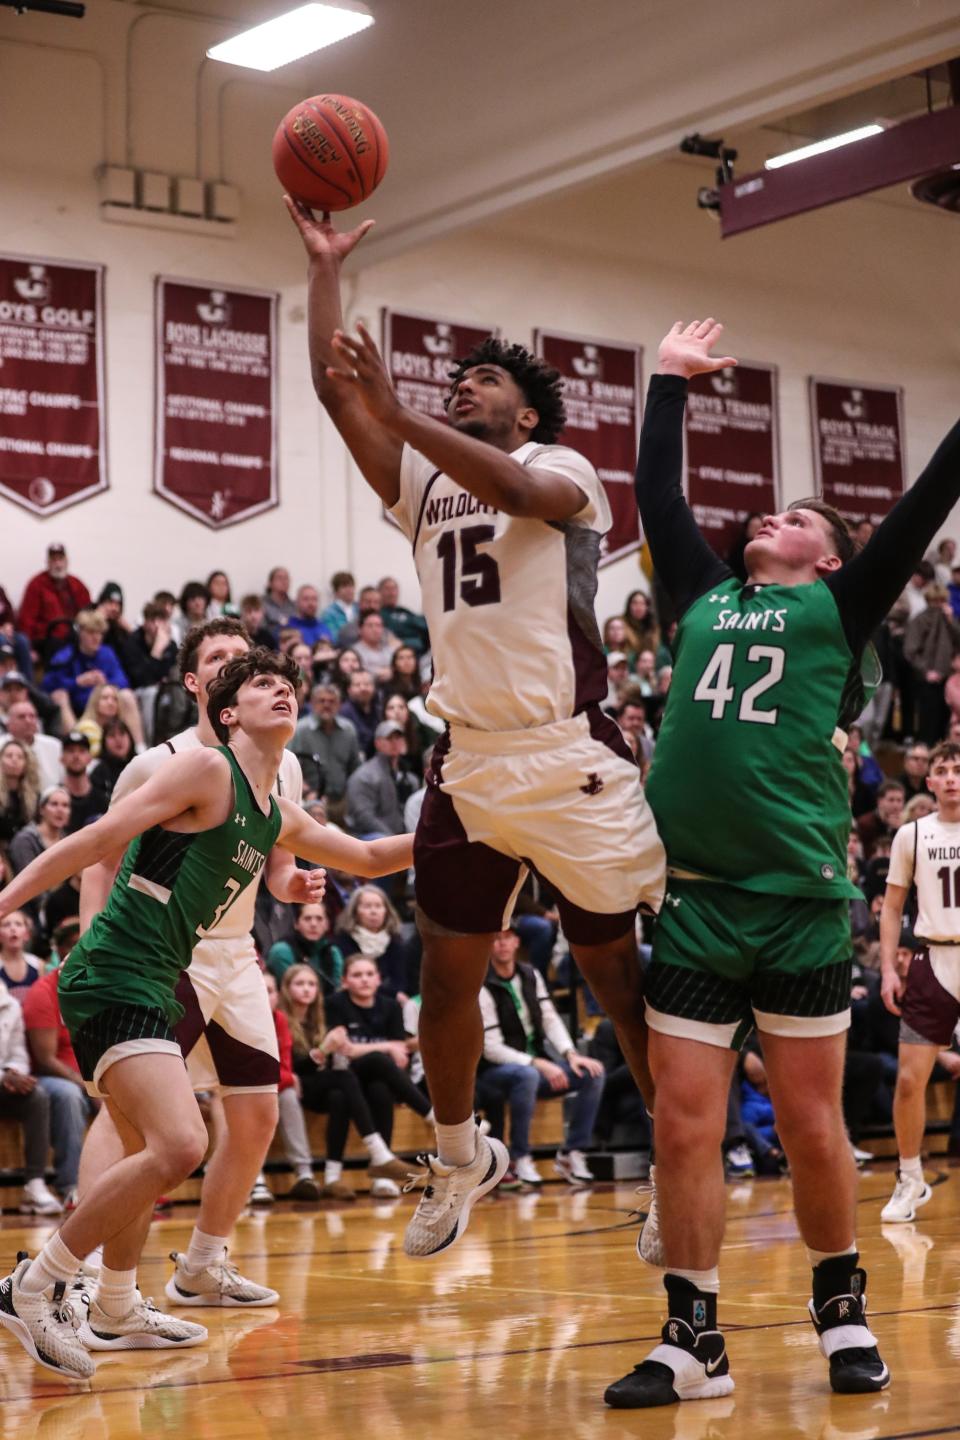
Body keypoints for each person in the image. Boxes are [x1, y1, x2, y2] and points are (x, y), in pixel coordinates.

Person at [286, 199, 665, 1264]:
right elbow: (333, 386)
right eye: (457, 381)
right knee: (443, 981)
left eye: (484, 381)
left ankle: (677, 1162)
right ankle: (460, 1155)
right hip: (472, 761)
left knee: (615, 981)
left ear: (527, 410)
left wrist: (406, 412)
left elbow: (505, 483)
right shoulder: (423, 479)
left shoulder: (567, 472)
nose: (464, 387)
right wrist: (323, 270)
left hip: (572, 752)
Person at [606, 317, 960, 1410]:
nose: (775, 515)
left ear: (833, 558)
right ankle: (691, 1340)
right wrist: (668, 385)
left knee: (811, 1125)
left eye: (800, 518)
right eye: (772, 510)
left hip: (803, 905)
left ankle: (842, 1308)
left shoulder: (841, 608)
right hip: (702, 903)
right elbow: (657, 499)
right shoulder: (702, 598)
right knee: (683, 1124)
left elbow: (927, 499)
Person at [0, 647, 415, 1380]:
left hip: (156, 978)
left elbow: (373, 855)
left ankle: (118, 1306)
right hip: (113, 972)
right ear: (227, 713)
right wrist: (5, 902)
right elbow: (98, 840)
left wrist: (481, 830)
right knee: (182, 1142)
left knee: (147, 1148)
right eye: (263, 685)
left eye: (289, 683)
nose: (283, 691)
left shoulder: (275, 806)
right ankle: (36, 1286)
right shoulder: (206, 768)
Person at [75, 619, 319, 1316]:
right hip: (162, 951)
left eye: (244, 656)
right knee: (127, 1119)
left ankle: (203, 1265)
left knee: (256, 1116)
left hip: (237, 953)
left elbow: (276, 865)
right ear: (194, 682)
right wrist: (98, 951)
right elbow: (101, 862)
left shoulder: (283, 759)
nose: (235, 664)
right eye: (217, 657)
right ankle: (89, 1273)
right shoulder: (159, 763)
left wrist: (293, 887)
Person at [879, 741, 960, 1222]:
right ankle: (910, 1179)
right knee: (910, 1080)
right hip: (933, 962)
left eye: (958, 770)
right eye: (943, 771)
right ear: (928, 782)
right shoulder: (911, 835)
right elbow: (891, 908)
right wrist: (890, 968)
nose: (951, 778)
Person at [476, 928, 605, 1187]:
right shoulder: (482, 984)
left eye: (507, 938)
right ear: (489, 945)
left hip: (534, 1069)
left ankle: (572, 1153)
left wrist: (570, 1054)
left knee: (592, 1072)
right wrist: (537, 1063)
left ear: (516, 941)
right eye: (496, 939)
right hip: (493, 1073)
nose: (502, 944)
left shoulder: (530, 974)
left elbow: (549, 1018)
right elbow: (490, 1047)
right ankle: (520, 1156)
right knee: (528, 1074)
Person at [278, 963, 415, 1199]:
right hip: (295, 1087)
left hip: (322, 1086)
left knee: (341, 1094)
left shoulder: (321, 1016)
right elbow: (293, 1065)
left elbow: (333, 1061)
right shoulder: (281, 1018)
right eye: (299, 984)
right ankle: (379, 1152)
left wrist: (334, 1052)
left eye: (311, 984)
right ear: (287, 989)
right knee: (344, 1078)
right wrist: (323, 1050)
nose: (306, 989)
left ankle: (333, 1176)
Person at [324, 953, 434, 1192]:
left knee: (380, 1089)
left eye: (369, 974)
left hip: (378, 1078)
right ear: (345, 981)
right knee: (364, 1071)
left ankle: (381, 1174)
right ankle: (431, 1116)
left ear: (378, 979)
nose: (364, 980)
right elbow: (344, 1051)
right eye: (357, 975)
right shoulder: (335, 1003)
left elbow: (401, 1056)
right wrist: (384, 1047)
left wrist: (380, 1050)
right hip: (344, 1075)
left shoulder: (391, 1006)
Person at [248, 970, 321, 1203]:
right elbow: (246, 1071)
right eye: (257, 990)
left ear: (277, 996)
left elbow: (285, 1066)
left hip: (271, 1086)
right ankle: (254, 1177)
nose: (263, 996)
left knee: (288, 1095)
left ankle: (304, 1174)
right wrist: (287, 1079)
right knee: (248, 1101)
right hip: (243, 1088)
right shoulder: (240, 1021)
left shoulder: (279, 1019)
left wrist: (286, 1079)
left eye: (268, 991)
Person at [0, 976, 61, 1217]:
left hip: (5, 1082)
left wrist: (15, 1074)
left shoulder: (9, 1004)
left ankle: (35, 1184)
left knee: (37, 1097)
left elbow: (18, 1053)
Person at [289, 681, 360, 821]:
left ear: (339, 704)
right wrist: (308, 792)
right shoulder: (300, 730)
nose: (327, 705)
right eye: (321, 701)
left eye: (332, 701)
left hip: (342, 801)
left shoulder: (349, 730)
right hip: (309, 803)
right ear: (313, 703)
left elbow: (355, 768)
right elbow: (289, 767)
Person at [336, 885, 411, 1000]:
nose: (373, 911)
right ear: (355, 911)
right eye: (367, 906)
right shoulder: (343, 941)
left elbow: (400, 983)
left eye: (378, 906)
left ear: (386, 911)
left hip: (390, 1005)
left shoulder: (396, 942)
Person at [345, 719, 415, 839]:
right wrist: (393, 840)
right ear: (377, 743)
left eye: (398, 737)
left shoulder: (410, 778)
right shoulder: (364, 776)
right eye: (389, 738)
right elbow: (364, 818)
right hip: (369, 838)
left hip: (401, 837)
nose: (394, 742)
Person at [17, 543, 91, 655]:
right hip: (47, 639)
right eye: (54, 560)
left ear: (66, 561)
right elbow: (27, 619)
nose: (58, 564)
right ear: (48, 562)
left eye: (60, 559)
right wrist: (29, 649)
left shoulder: (77, 585)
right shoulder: (36, 584)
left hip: (73, 636)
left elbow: (88, 612)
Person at [267, 901, 345, 995]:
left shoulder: (333, 951)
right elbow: (290, 992)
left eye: (319, 919)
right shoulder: (281, 951)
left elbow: (337, 989)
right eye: (307, 919)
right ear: (296, 924)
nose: (313, 924)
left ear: (327, 925)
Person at [2, 699, 62, 791]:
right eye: (21, 717)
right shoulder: (1, 744)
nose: (28, 720)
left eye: (32, 716)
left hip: (49, 799)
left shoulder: (54, 746)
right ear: (8, 723)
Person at [0, 738, 40, 851]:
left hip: (24, 850)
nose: (14, 760)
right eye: (9, 756)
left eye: (20, 757)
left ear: (27, 763)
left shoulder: (35, 796)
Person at [378, 576, 429, 654]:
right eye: (387, 589)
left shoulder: (404, 611)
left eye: (394, 589)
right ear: (379, 592)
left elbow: (425, 626)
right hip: (397, 653)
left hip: (423, 651)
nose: (391, 593)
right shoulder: (378, 614)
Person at [0, 911, 42, 1001]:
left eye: (18, 924)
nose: (13, 929)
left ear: (27, 934)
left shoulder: (38, 965)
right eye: (6, 925)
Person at [339, 669, 380, 758]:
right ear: (349, 689)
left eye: (367, 684)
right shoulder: (343, 712)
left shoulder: (379, 711)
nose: (363, 688)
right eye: (357, 685)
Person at [319, 571, 357, 641]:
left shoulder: (359, 608)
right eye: (344, 586)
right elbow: (333, 637)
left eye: (351, 586)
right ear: (336, 591)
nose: (349, 590)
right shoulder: (328, 613)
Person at [262, 567, 293, 632]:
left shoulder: (294, 606)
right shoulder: (262, 603)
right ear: (270, 583)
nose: (284, 581)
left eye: (286, 578)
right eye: (279, 578)